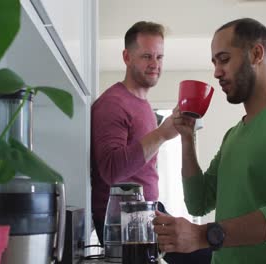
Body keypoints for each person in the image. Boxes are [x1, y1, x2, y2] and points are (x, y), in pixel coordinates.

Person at [153, 18, 266, 264]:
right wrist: (187, 139)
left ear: (256, 54)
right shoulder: (233, 135)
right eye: (214, 62)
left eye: (224, 59)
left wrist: (202, 235)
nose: (216, 72)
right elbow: (198, 202)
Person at [91, 21, 178, 244]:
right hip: (124, 224)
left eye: (159, 57)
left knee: (208, 250)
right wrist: (161, 135)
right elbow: (111, 170)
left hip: (145, 214)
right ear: (127, 57)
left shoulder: (144, 105)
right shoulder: (112, 104)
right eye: (147, 56)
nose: (155, 64)